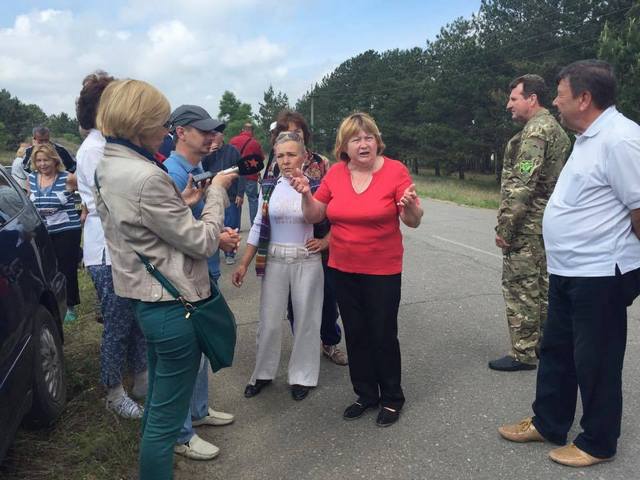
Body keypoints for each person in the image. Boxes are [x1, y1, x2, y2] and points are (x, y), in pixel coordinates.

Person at [499, 60, 640, 467]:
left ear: (584, 98)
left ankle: (598, 441)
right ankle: (550, 421)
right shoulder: (587, 136)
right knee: (557, 349)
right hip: (567, 268)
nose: (556, 103)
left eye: (560, 95)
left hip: (600, 272)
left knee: (596, 358)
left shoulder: (620, 139)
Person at [93, 79, 236, 480]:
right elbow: (203, 242)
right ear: (140, 123)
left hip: (148, 300)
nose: (165, 129)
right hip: (174, 306)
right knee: (164, 424)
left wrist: (180, 204)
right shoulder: (146, 175)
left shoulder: (109, 165)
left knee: (158, 407)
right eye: (160, 121)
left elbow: (138, 225)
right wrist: (215, 196)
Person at [290, 112, 423, 427]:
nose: (364, 144)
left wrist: (413, 206)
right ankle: (365, 394)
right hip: (343, 268)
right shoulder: (335, 174)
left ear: (377, 141)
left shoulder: (395, 171)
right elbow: (313, 216)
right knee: (357, 333)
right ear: (344, 146)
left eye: (369, 137)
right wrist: (306, 194)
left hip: (383, 269)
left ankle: (391, 397)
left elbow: (412, 220)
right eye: (356, 139)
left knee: (382, 333)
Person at [164, 104, 239, 461]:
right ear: (180, 132)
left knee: (201, 351)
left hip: (203, 270)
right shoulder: (172, 175)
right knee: (185, 357)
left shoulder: (194, 169)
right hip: (185, 279)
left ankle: (199, 410)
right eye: (203, 130)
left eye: (213, 130)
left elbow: (193, 225)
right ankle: (181, 434)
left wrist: (217, 236)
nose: (211, 136)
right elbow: (176, 235)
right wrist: (216, 235)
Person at [75, 70, 148, 418]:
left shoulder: (109, 146)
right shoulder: (94, 151)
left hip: (120, 246)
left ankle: (142, 380)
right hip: (106, 250)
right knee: (118, 324)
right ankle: (113, 390)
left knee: (134, 320)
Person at [232, 131, 324, 402]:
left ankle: (302, 376)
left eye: (291, 154)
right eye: (280, 155)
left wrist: (326, 242)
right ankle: (262, 373)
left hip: (306, 259)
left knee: (307, 320)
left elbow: (331, 219)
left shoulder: (316, 186)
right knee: (269, 320)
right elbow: (259, 225)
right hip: (274, 259)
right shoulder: (269, 185)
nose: (285, 161)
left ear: (304, 156)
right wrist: (244, 263)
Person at [489, 74, 570, 372]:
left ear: (531, 98)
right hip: (546, 222)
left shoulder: (535, 132)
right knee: (540, 287)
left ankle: (522, 353)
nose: (509, 105)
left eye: (514, 98)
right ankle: (542, 345)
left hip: (527, 225)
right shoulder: (556, 129)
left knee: (520, 287)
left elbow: (523, 184)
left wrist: (505, 228)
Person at [269, 110, 348, 366]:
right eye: (284, 134)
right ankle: (304, 346)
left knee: (326, 299)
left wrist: (327, 240)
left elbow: (339, 208)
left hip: (320, 241)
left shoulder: (322, 164)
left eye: (297, 132)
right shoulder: (274, 165)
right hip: (290, 247)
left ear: (305, 136)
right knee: (295, 302)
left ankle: (329, 342)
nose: (291, 136)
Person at [27, 144, 81, 322]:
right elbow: (29, 203)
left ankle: (70, 305)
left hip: (66, 230)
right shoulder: (32, 179)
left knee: (67, 267)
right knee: (48, 268)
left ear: (54, 160)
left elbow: (88, 194)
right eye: (39, 160)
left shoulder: (68, 178)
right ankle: (53, 302)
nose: (43, 164)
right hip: (43, 231)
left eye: (46, 160)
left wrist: (85, 213)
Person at [202, 128, 245, 265]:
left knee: (232, 224)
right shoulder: (207, 152)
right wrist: (207, 154)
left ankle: (230, 253)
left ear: (222, 135)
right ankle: (215, 250)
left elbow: (242, 171)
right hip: (212, 194)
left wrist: (240, 193)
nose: (213, 137)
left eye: (216, 134)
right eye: (211, 134)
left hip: (231, 194)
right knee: (216, 224)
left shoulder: (232, 151)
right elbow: (201, 171)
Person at [229, 122, 264, 227]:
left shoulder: (232, 141)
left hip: (236, 174)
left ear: (242, 130)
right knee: (252, 199)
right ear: (251, 131)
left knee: (237, 198)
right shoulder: (255, 143)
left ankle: (236, 225)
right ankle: (254, 224)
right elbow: (261, 158)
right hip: (250, 175)